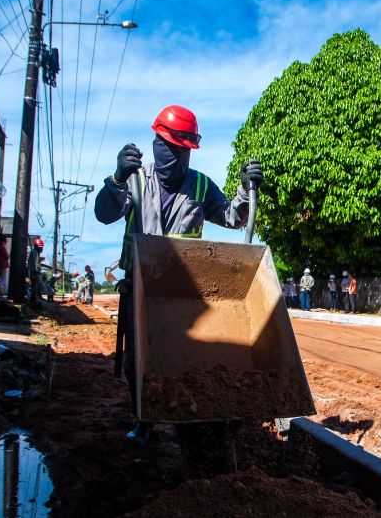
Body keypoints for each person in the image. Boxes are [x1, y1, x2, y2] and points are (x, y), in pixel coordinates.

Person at [94, 104, 263, 445]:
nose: (175, 155)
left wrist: (245, 191)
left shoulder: (200, 185)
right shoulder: (137, 179)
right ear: (157, 143)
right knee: (137, 360)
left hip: (180, 292)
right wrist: (116, 179)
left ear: (190, 150)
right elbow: (104, 214)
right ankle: (144, 419)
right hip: (139, 288)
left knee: (180, 358)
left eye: (183, 149)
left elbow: (233, 218)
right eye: (170, 146)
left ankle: (185, 417)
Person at [28, 238, 46, 307]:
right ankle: (34, 299)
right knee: (39, 287)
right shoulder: (35, 253)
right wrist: (35, 272)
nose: (42, 249)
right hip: (33, 273)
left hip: (34, 273)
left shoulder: (36, 253)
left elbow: (36, 264)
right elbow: (33, 264)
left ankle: (36, 298)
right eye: (40, 247)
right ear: (36, 247)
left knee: (36, 287)